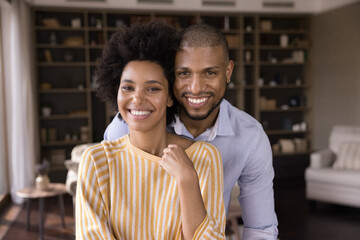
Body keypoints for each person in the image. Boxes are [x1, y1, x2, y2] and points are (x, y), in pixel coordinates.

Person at [104, 23, 279, 239]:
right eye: (184, 73)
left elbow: (260, 228)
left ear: (228, 71)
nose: (196, 88)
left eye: (210, 73)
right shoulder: (126, 127)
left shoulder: (250, 137)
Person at [76, 21, 226, 240]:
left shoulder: (204, 157)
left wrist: (187, 180)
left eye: (153, 88)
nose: (137, 99)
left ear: (170, 96)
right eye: (128, 87)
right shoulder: (97, 162)